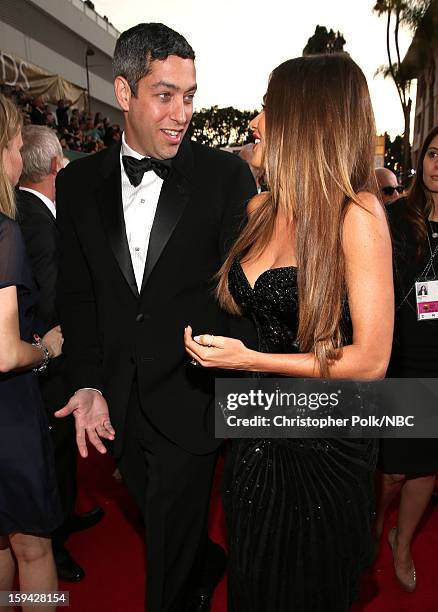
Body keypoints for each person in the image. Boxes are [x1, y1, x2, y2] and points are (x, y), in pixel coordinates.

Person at [54, 23, 256, 612]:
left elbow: (242, 295)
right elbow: (79, 296)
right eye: (165, 95)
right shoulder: (78, 182)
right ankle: (203, 559)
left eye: (189, 96)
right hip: (117, 402)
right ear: (123, 92)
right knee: (171, 527)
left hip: (191, 397)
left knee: (165, 558)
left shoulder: (225, 178)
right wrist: (88, 382)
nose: (182, 112)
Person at [184, 53, 394, 611]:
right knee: (253, 572)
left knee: (307, 584)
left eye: (267, 108)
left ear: (306, 119)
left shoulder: (358, 216)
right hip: (255, 430)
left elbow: (370, 361)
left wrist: (247, 361)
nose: (255, 122)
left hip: (325, 441)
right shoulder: (259, 207)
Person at [375, 120, 438, 593]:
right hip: (396, 353)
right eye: (434, 153)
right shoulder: (393, 218)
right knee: (390, 467)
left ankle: (402, 541)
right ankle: (371, 534)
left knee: (426, 465)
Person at [16, 125, 104, 583]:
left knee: (61, 455)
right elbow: (49, 299)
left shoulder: (32, 213)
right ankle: (55, 538)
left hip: (40, 362)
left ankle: (63, 521)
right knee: (51, 458)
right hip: (42, 362)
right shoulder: (31, 221)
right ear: (55, 165)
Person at [0, 94, 63, 610]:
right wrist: (44, 350)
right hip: (11, 414)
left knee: (0, 538)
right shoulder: (5, 231)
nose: (21, 159)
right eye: (17, 146)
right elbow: (5, 353)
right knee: (34, 546)